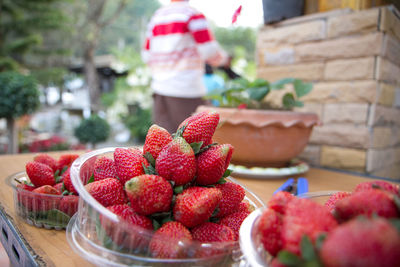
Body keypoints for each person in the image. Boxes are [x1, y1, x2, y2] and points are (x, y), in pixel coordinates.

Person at [141, 0, 230, 133]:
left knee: (164, 147)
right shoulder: (192, 14)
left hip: (160, 90)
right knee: (194, 144)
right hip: (186, 89)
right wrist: (224, 59)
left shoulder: (157, 17)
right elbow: (209, 52)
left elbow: (146, 56)